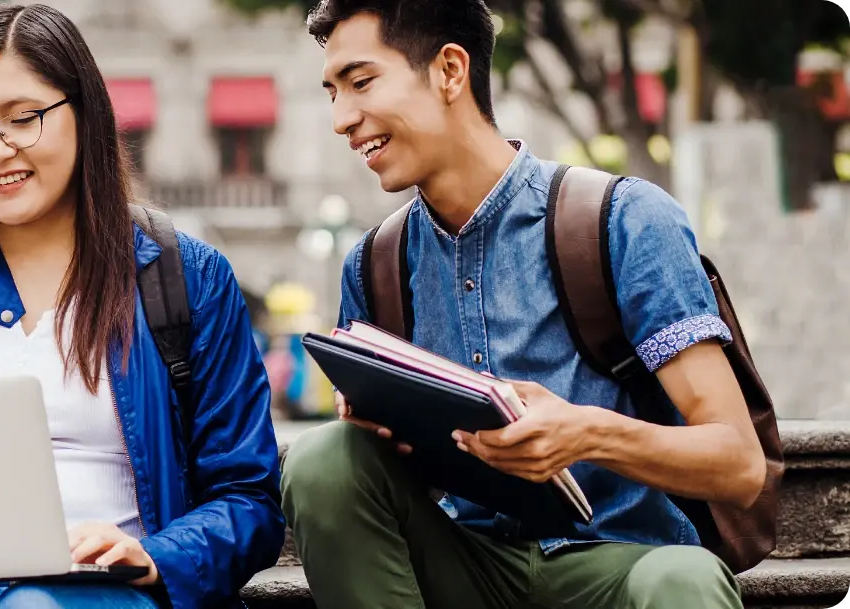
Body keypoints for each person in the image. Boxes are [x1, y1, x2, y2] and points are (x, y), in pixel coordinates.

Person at [279, 1, 766, 608]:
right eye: (331, 92)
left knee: (684, 581)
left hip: (622, 568)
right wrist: (384, 442)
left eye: (360, 82)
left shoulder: (623, 221)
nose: (341, 118)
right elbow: (388, 482)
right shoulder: (375, 265)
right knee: (325, 457)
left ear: (450, 71)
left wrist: (585, 432)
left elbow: (739, 466)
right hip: (462, 567)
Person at [0, 4, 283, 608]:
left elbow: (249, 496)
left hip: (112, 590)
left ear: (85, 113)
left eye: (23, 119)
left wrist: (156, 555)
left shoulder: (188, 278)